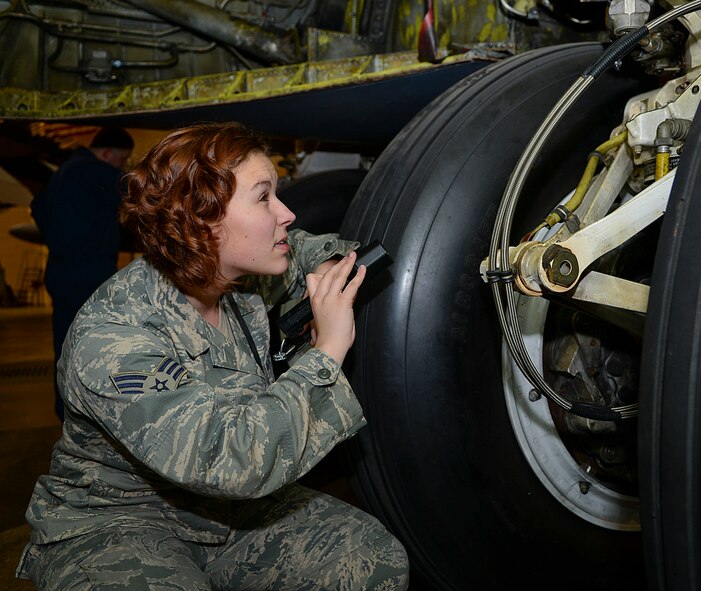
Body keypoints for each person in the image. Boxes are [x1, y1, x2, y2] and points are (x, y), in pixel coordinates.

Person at [16, 122, 409, 590]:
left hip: (228, 517)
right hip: (119, 523)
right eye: (264, 198)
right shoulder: (114, 338)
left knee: (373, 560)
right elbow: (232, 460)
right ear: (201, 218)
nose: (286, 212)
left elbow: (300, 243)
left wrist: (325, 262)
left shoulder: (238, 284)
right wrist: (327, 349)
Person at [31, 126, 134, 421]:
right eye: (121, 160)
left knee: (65, 344)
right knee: (95, 348)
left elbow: (36, 206)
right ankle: (88, 415)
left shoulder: (63, 172)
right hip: (89, 273)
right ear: (105, 154)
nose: (121, 167)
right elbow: (137, 189)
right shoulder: (93, 170)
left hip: (62, 270)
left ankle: (66, 411)